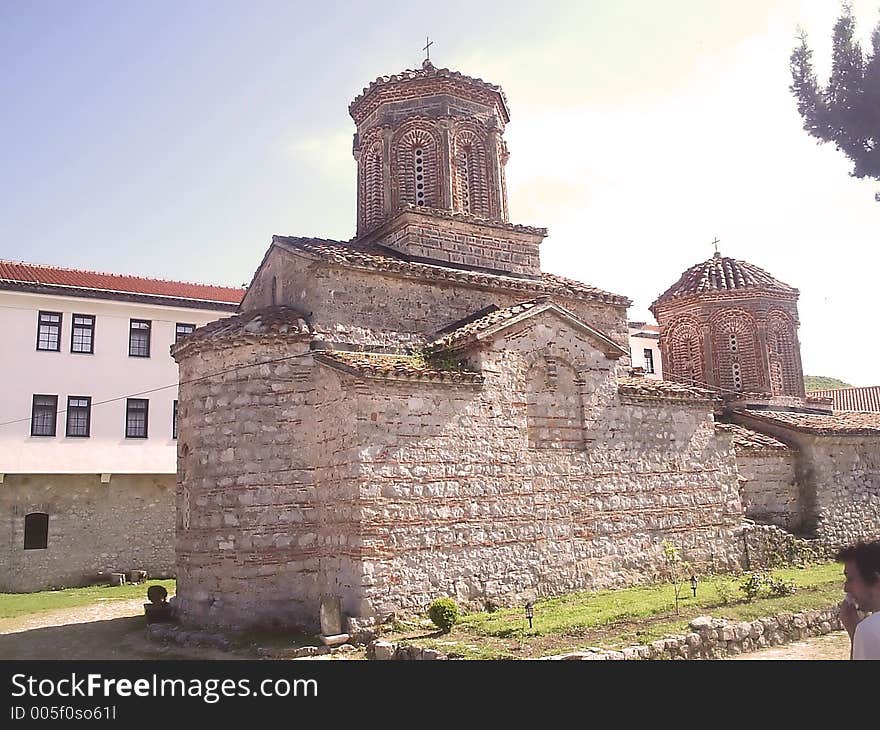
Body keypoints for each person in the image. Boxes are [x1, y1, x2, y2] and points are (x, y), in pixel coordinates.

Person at [836, 540, 880, 660]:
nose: (845, 588)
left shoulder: (869, 630)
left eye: (850, 579)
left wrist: (855, 633)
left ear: (876, 580)